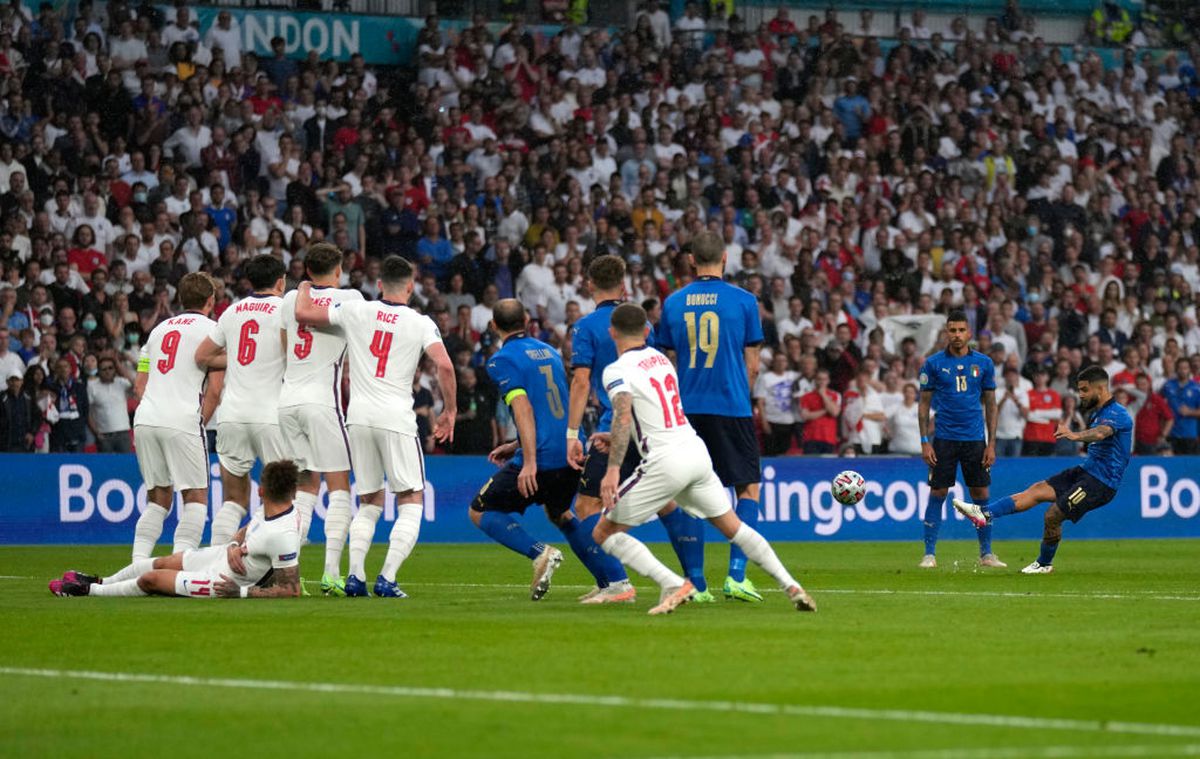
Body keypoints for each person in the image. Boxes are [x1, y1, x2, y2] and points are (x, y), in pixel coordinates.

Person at [590, 303, 816, 615]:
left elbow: (624, 412)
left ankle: (673, 583)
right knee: (733, 527)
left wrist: (613, 469)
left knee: (604, 532)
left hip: (665, 460)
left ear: (612, 332)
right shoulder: (660, 360)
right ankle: (791, 585)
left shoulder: (616, 370)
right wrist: (616, 438)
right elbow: (653, 413)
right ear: (646, 331)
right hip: (695, 451)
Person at [295, 255, 456, 598]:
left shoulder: (357, 311)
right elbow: (444, 365)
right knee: (411, 498)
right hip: (396, 417)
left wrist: (305, 284)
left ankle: (354, 577)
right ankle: (387, 578)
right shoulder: (420, 322)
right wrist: (451, 411)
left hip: (358, 417)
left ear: (379, 284)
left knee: (369, 500)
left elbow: (304, 314)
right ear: (410, 288)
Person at [473, 299, 622, 600]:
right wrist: (515, 444)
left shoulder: (501, 360)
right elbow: (551, 408)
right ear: (528, 319)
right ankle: (613, 582)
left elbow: (524, 408)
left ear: (493, 326)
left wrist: (527, 460)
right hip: (569, 448)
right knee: (561, 513)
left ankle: (540, 553)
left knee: (479, 510)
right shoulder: (549, 351)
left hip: (540, 457)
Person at [566, 255, 691, 604]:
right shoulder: (638, 320)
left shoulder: (587, 326)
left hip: (614, 424)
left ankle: (618, 584)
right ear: (624, 284)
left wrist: (571, 434)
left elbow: (580, 381)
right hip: (649, 422)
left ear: (589, 285)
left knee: (588, 506)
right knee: (666, 502)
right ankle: (697, 579)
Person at [656, 232, 766, 601]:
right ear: (724, 258)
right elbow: (752, 365)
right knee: (746, 488)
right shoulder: (745, 301)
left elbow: (666, 362)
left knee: (690, 494)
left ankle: (696, 582)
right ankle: (736, 575)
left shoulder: (672, 303)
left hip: (686, 409)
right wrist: (742, 395)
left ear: (691, 261)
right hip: (731, 405)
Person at [954, 366, 1133, 574]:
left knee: (1052, 515)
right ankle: (985, 514)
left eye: (1084, 390)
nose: (1080, 395)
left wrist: (1075, 435)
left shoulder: (1118, 413)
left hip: (1101, 483)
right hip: (1087, 472)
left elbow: (1102, 433)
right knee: (1038, 489)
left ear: (1100, 388)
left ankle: (1044, 564)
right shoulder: (1099, 412)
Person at [50, 460, 303, 598]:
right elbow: (250, 527)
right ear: (293, 491)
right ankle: (102, 580)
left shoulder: (283, 535)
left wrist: (242, 592)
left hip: (222, 581)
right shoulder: (276, 508)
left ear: (260, 490)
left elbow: (292, 590)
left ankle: (89, 592)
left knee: (151, 580)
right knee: (160, 563)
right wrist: (236, 545)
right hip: (221, 555)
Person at [277, 242, 362, 596]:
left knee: (304, 489)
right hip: (321, 403)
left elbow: (284, 346)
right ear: (338, 270)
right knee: (340, 485)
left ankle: (287, 573)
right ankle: (330, 573)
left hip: (287, 400)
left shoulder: (289, 300)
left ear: (307, 271)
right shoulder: (352, 299)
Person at [130, 272, 224, 560]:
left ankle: (138, 565)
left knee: (157, 499)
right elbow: (215, 391)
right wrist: (197, 423)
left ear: (180, 298)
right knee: (195, 498)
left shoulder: (157, 331)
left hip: (146, 418)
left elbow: (139, 386)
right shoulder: (214, 331)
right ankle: (180, 563)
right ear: (211, 300)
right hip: (182, 418)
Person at [196, 255, 288, 547]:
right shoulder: (285, 309)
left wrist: (234, 358)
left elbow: (202, 356)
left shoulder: (232, 311)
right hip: (270, 415)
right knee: (282, 499)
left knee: (233, 500)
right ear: (281, 282)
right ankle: (272, 568)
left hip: (232, 415)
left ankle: (217, 562)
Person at [917, 310, 1005, 569]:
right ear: (947, 332)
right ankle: (929, 554)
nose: (956, 335)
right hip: (943, 439)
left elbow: (991, 404)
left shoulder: (984, 363)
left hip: (975, 441)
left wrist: (991, 444)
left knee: (980, 492)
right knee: (939, 491)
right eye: (952, 330)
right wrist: (924, 440)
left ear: (969, 333)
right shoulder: (932, 364)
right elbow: (924, 406)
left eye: (960, 330)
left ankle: (986, 553)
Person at [87, 353, 133, 452]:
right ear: (98, 371)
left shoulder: (121, 382)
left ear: (115, 369)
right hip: (104, 436)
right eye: (104, 369)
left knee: (125, 465)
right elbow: (88, 412)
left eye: (110, 368)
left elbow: (135, 383)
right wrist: (96, 432)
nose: (108, 371)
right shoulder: (92, 386)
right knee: (105, 466)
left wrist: (117, 363)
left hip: (123, 433)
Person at [755, 351, 798, 455]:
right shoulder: (765, 378)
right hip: (771, 420)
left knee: (787, 454)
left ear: (787, 363)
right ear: (773, 362)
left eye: (783, 360)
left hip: (790, 422)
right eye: (778, 360)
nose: (780, 363)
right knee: (771, 453)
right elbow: (760, 401)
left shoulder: (793, 376)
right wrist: (764, 422)